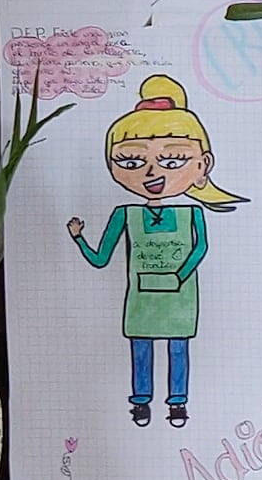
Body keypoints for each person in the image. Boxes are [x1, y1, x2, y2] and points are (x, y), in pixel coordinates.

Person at [70, 76, 242, 426]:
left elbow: (200, 248)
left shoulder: (193, 213)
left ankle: (178, 402)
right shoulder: (125, 214)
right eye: (131, 161)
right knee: (141, 347)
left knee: (178, 347)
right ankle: (141, 402)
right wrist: (78, 238)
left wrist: (179, 275)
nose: (152, 173)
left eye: (174, 160)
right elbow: (101, 259)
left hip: (179, 296)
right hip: (141, 296)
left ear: (202, 165)